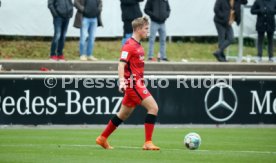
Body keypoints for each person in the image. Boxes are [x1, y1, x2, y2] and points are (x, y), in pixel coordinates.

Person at [96, 17, 160, 150]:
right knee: (153, 108)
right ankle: (148, 142)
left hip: (136, 83)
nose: (148, 31)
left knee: (123, 114)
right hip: (133, 85)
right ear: (138, 29)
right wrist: (122, 82)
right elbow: (121, 65)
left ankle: (102, 138)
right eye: (146, 28)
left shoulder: (137, 45)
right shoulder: (129, 45)